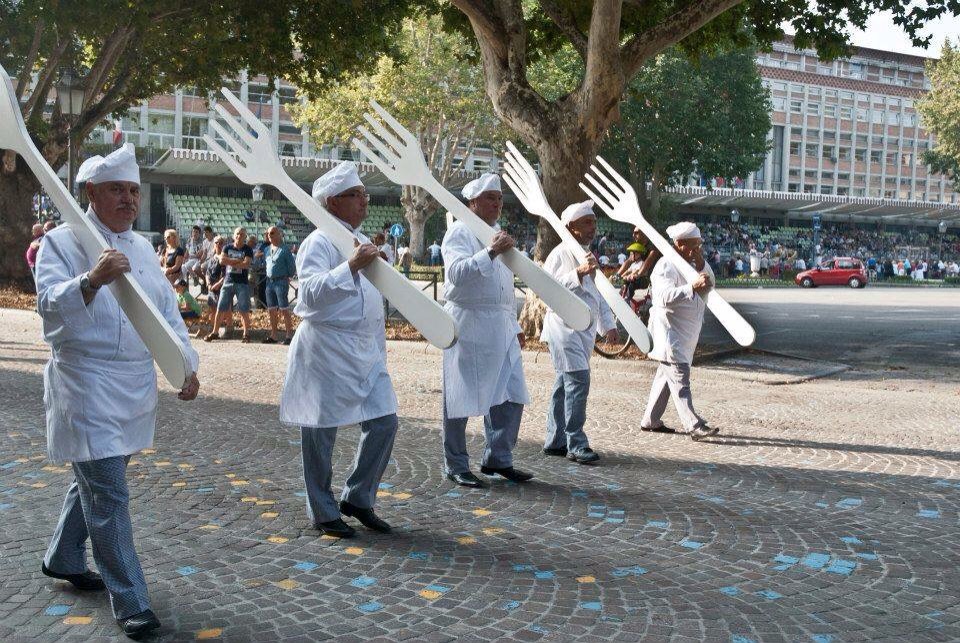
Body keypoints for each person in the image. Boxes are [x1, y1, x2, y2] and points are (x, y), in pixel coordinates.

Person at [34, 143, 199, 638]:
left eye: (133, 190)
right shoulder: (62, 243)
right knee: (108, 493)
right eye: (117, 190)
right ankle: (131, 601)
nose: (128, 199)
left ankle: (63, 556)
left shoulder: (145, 247)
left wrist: (185, 365)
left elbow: (168, 316)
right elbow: (47, 307)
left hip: (133, 387)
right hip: (85, 385)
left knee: (96, 479)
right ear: (90, 193)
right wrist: (90, 280)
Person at [279, 162, 398, 538]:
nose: (365, 201)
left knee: (384, 420)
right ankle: (323, 509)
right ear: (333, 202)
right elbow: (309, 296)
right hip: (326, 349)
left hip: (364, 351)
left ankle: (358, 498)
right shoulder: (319, 242)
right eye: (356, 195)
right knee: (319, 432)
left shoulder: (360, 242)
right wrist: (351, 267)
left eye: (364, 194)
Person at [440, 173, 533, 488]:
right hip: (470, 322)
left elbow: (504, 286)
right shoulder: (460, 232)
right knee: (461, 394)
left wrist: (514, 322)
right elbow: (455, 274)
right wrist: (490, 252)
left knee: (511, 393)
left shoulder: (497, 234)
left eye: (500, 198)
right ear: (473, 202)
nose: (497, 203)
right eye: (490, 197)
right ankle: (455, 463)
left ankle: (498, 458)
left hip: (501, 325)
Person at [540, 201, 618, 464]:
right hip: (563, 329)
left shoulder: (587, 253)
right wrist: (577, 273)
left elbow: (597, 294)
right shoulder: (560, 254)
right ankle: (576, 443)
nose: (593, 228)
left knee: (564, 385)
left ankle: (555, 440)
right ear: (571, 228)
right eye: (587, 222)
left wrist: (608, 324)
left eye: (594, 222)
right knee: (578, 383)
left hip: (582, 331)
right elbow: (547, 290)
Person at [640, 222, 717, 441]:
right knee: (680, 378)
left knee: (665, 379)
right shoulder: (666, 265)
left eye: (699, 246)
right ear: (679, 244)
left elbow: (711, 284)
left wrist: (701, 263)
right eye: (692, 246)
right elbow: (663, 298)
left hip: (686, 333)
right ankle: (693, 425)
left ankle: (650, 420)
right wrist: (691, 288)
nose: (696, 251)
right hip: (670, 333)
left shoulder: (694, 263)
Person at [205, 227, 253, 343]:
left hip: (242, 283)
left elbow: (246, 264)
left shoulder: (248, 249)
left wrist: (230, 261)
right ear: (233, 235)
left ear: (245, 237)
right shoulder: (227, 247)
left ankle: (246, 334)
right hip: (228, 281)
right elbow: (222, 261)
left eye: (242, 234)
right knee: (220, 308)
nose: (239, 236)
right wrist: (237, 261)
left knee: (243, 310)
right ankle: (215, 332)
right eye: (237, 234)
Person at [263, 226, 296, 345]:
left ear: (279, 234)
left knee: (284, 309)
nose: (269, 235)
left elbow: (292, 267)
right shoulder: (267, 249)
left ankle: (289, 335)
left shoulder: (285, 250)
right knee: (271, 310)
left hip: (281, 282)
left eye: (272, 233)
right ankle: (274, 335)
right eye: (268, 233)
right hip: (269, 282)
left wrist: (288, 278)